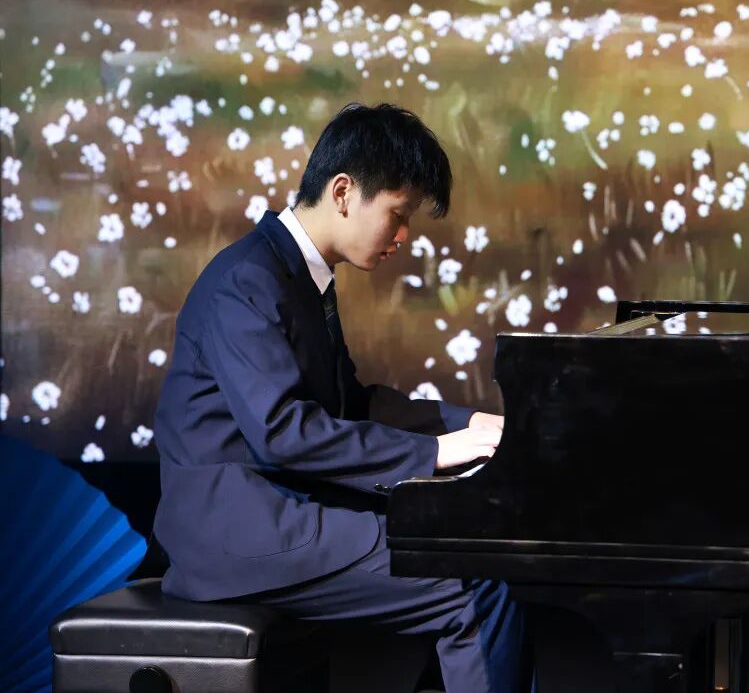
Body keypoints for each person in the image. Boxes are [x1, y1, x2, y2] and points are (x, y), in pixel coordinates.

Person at [153, 102, 532, 692]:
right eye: (398, 215)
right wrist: (438, 453)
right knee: (475, 586)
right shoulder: (247, 280)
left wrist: (471, 424)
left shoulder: (296, 274)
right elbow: (283, 432)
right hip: (239, 533)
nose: (403, 237)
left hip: (280, 509)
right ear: (343, 192)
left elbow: (352, 405)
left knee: (472, 555)